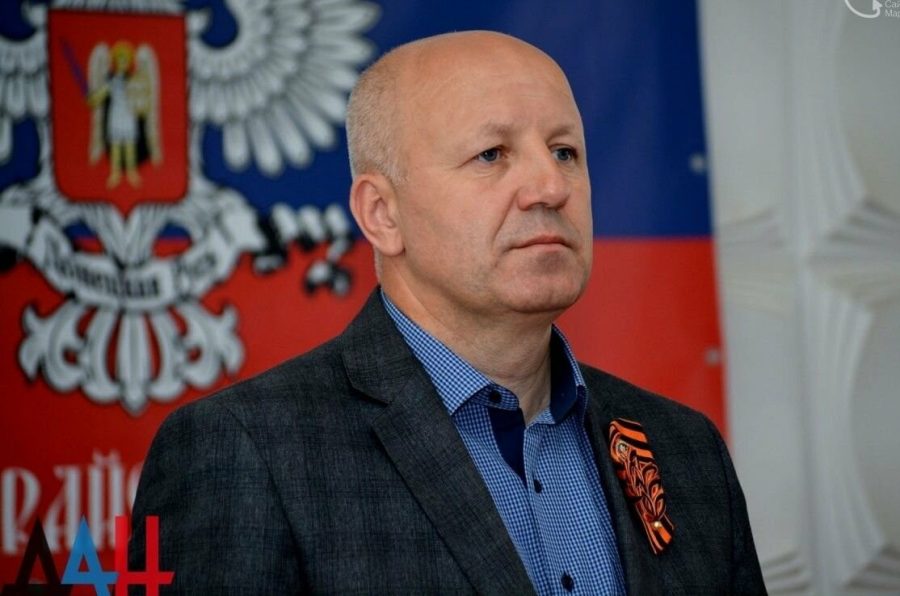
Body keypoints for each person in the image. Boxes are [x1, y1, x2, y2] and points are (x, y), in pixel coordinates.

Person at [129, 31, 766, 594]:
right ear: (382, 214)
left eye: (565, 152)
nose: (551, 187)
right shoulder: (243, 450)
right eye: (492, 154)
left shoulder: (686, 449)